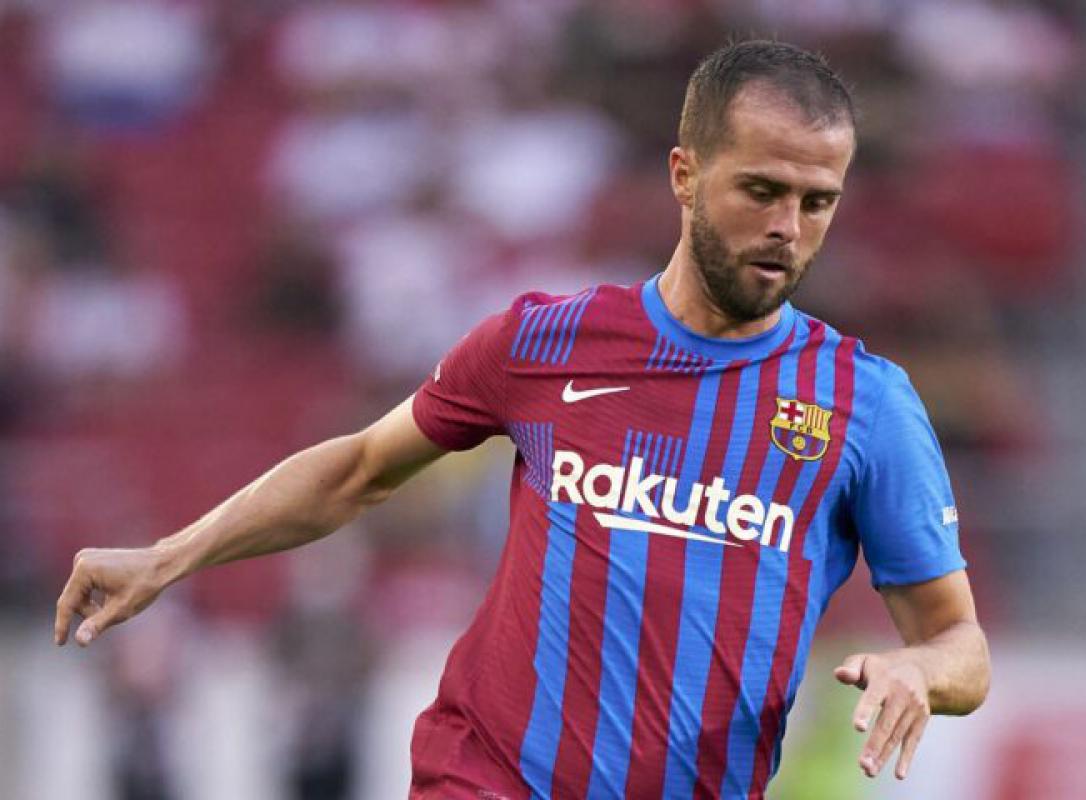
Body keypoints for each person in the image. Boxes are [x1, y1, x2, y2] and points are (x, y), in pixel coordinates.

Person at [55, 40, 990, 799]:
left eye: (817, 202)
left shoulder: (863, 404)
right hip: (486, 776)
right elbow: (358, 469)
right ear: (684, 173)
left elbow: (961, 644)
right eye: (761, 191)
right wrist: (169, 557)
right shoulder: (547, 341)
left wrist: (922, 672)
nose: (789, 226)